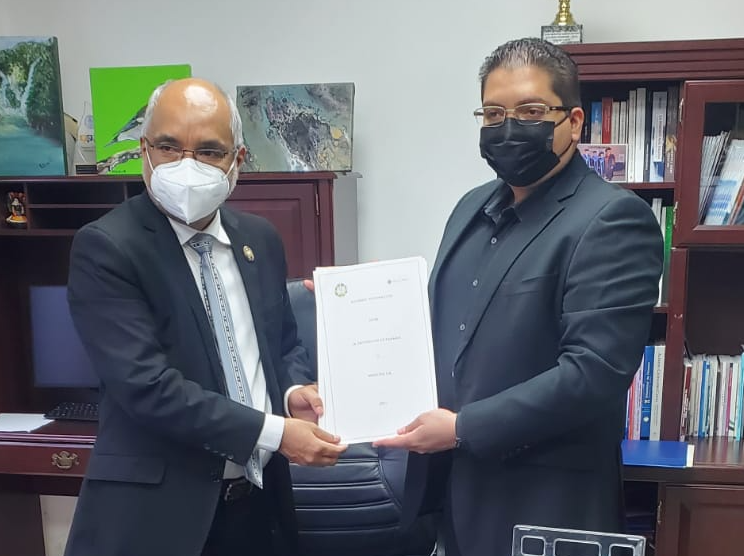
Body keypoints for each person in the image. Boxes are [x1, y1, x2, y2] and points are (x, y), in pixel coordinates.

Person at [375, 38, 664, 555]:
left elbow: (592, 374)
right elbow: (443, 329)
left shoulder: (613, 219)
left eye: (530, 111)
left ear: (574, 121)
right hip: (449, 502)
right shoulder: (470, 208)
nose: (508, 128)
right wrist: (357, 313)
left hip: (543, 510)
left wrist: (462, 428)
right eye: (493, 113)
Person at [64, 78, 346, 556]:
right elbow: (148, 387)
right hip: (158, 520)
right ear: (143, 150)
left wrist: (293, 392)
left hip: (258, 510)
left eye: (209, 151)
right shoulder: (107, 248)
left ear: (238, 160)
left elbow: (281, 345)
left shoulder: (259, 239)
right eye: (169, 147)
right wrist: (276, 433)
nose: (186, 165)